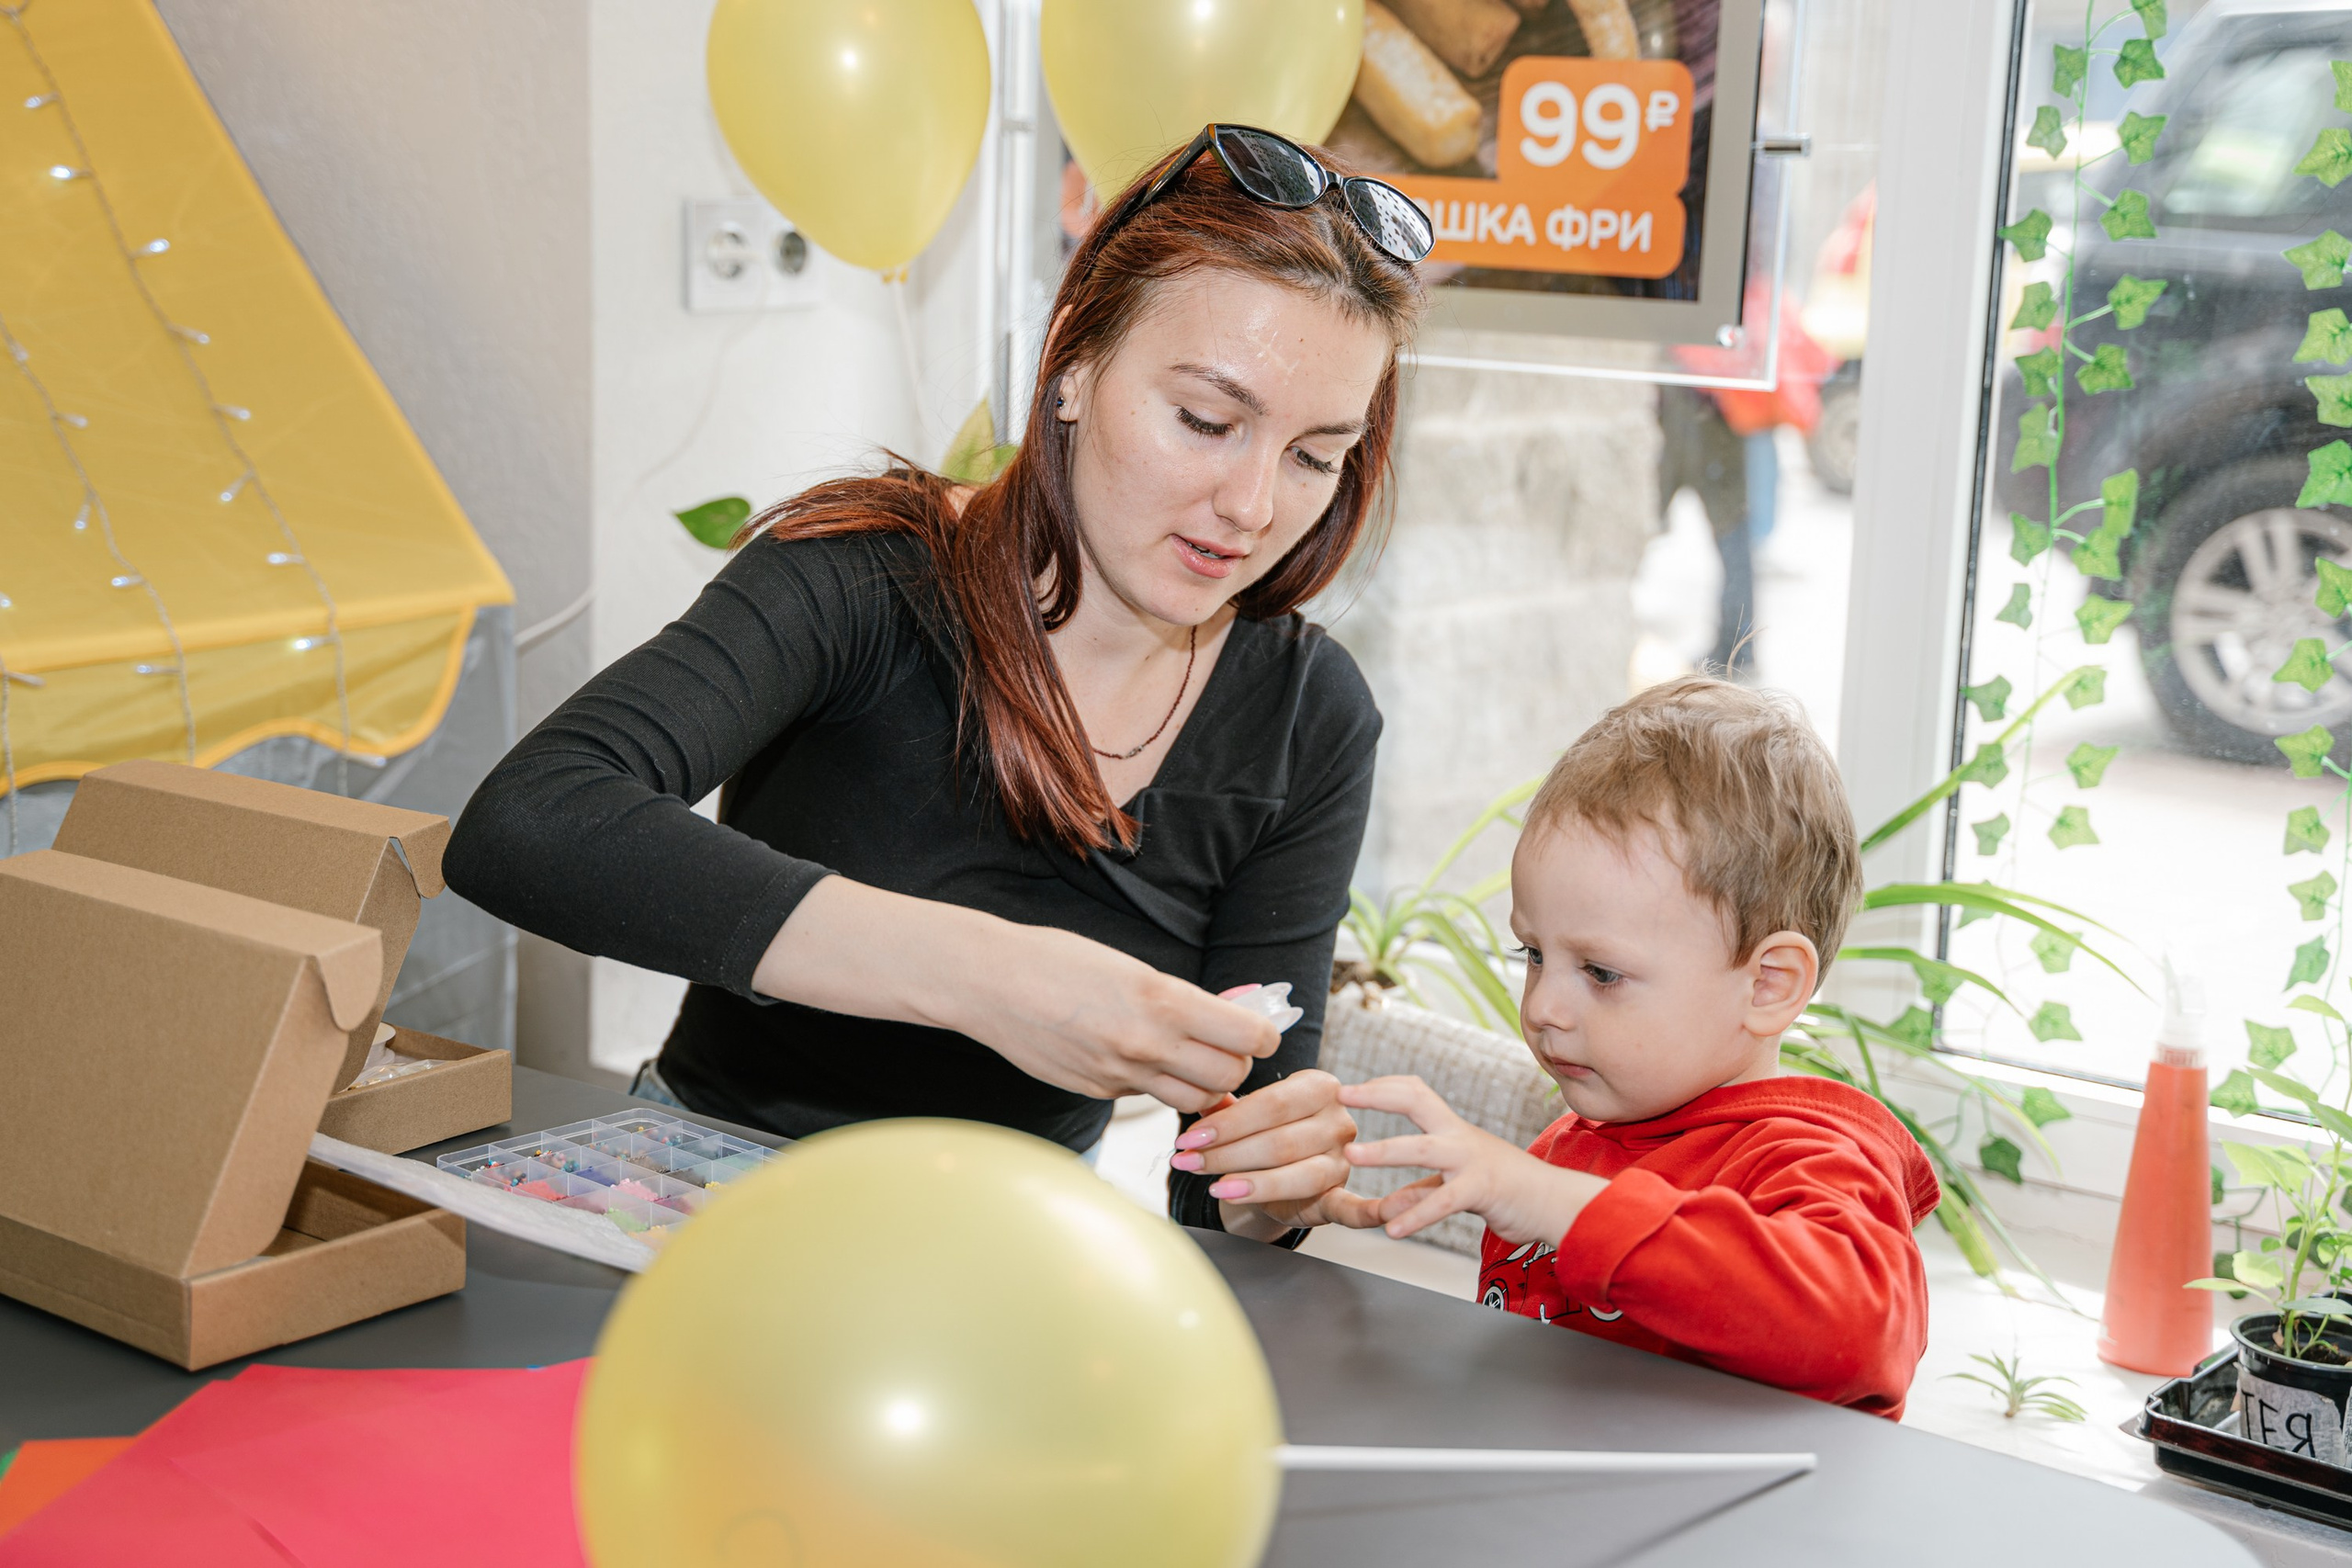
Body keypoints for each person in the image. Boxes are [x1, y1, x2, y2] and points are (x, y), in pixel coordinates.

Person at [443, 126, 1432, 1245]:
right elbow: (531, 821)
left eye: (1314, 456)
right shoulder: (861, 582)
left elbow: (1226, 1181)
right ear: (1071, 363)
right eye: (1206, 421)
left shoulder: (1308, 718)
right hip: (707, 1196)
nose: (1251, 505)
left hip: (1008, 1243)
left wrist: (1274, 1184)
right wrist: (989, 977)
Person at [1331, 678, 1938, 1416]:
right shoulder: (1573, 1143)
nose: (1543, 1006)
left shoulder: (1814, 1162)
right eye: (1533, 954)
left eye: (1601, 972)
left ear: (1768, 984)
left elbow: (1859, 1334)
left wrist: (1550, 1200)